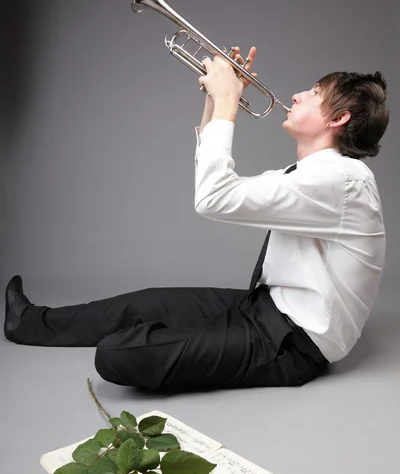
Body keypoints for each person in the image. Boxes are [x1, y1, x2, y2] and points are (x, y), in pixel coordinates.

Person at [4, 47, 389, 391]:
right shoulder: (309, 175)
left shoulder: (342, 181)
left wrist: (228, 105)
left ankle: (180, 341)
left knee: (117, 354)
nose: (296, 95)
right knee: (147, 302)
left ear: (338, 117)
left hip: (292, 343)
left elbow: (213, 198)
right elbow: (220, 185)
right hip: (265, 307)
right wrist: (213, 102)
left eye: (314, 93)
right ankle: (31, 323)